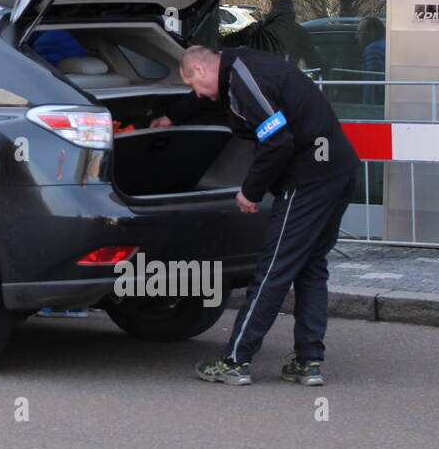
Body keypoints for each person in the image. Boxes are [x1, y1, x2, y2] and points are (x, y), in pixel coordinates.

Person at [150, 45, 359, 386]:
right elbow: (211, 99)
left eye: (193, 86)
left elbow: (278, 141)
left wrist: (251, 190)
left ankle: (236, 360)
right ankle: (308, 362)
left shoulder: (245, 83)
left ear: (200, 71)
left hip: (308, 181)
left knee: (273, 269)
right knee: (311, 268)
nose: (197, 94)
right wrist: (174, 116)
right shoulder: (242, 66)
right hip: (339, 171)